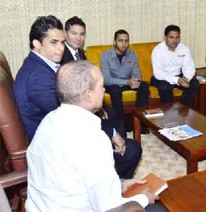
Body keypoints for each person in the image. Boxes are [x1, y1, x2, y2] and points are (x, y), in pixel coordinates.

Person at [13, 15, 141, 180]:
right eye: (54, 42)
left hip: (59, 132)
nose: (60, 48)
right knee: (132, 150)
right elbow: (71, 117)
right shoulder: (39, 77)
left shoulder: (40, 65)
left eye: (61, 42)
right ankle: (113, 188)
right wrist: (111, 133)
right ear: (37, 44)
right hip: (56, 146)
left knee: (111, 121)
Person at [26, 60, 158, 211]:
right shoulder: (93, 140)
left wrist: (120, 184)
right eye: (101, 86)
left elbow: (67, 178)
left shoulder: (48, 121)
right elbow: (111, 208)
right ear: (88, 96)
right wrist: (143, 198)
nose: (103, 90)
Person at [101, 29, 150, 134]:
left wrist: (136, 81)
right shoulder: (105, 55)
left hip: (127, 82)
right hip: (112, 84)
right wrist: (126, 82)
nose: (124, 44)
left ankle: (139, 123)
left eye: (126, 41)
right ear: (114, 42)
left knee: (144, 86)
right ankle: (120, 127)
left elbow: (137, 74)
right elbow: (107, 79)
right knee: (115, 91)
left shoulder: (132, 55)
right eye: (120, 41)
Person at [151, 24, 199, 106]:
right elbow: (158, 73)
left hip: (178, 75)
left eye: (177, 37)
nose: (175, 41)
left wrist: (186, 78)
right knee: (165, 87)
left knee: (194, 84)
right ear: (165, 37)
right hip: (162, 77)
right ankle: (169, 114)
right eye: (171, 37)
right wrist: (177, 80)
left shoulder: (184, 48)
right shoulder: (158, 50)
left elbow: (189, 67)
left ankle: (183, 109)